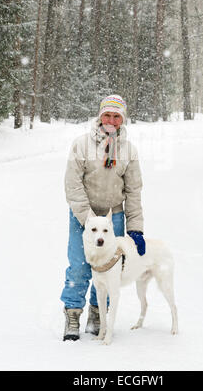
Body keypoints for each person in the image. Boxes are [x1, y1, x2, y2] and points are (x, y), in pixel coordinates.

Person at [60, 95, 145, 341]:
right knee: (79, 266)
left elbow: (133, 191)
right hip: (83, 217)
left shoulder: (128, 150)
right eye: (107, 115)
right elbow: (72, 184)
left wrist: (135, 228)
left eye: (116, 116)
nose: (111, 120)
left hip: (113, 219)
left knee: (108, 270)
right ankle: (73, 313)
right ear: (100, 117)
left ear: (122, 120)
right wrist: (88, 219)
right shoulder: (81, 144)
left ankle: (98, 314)